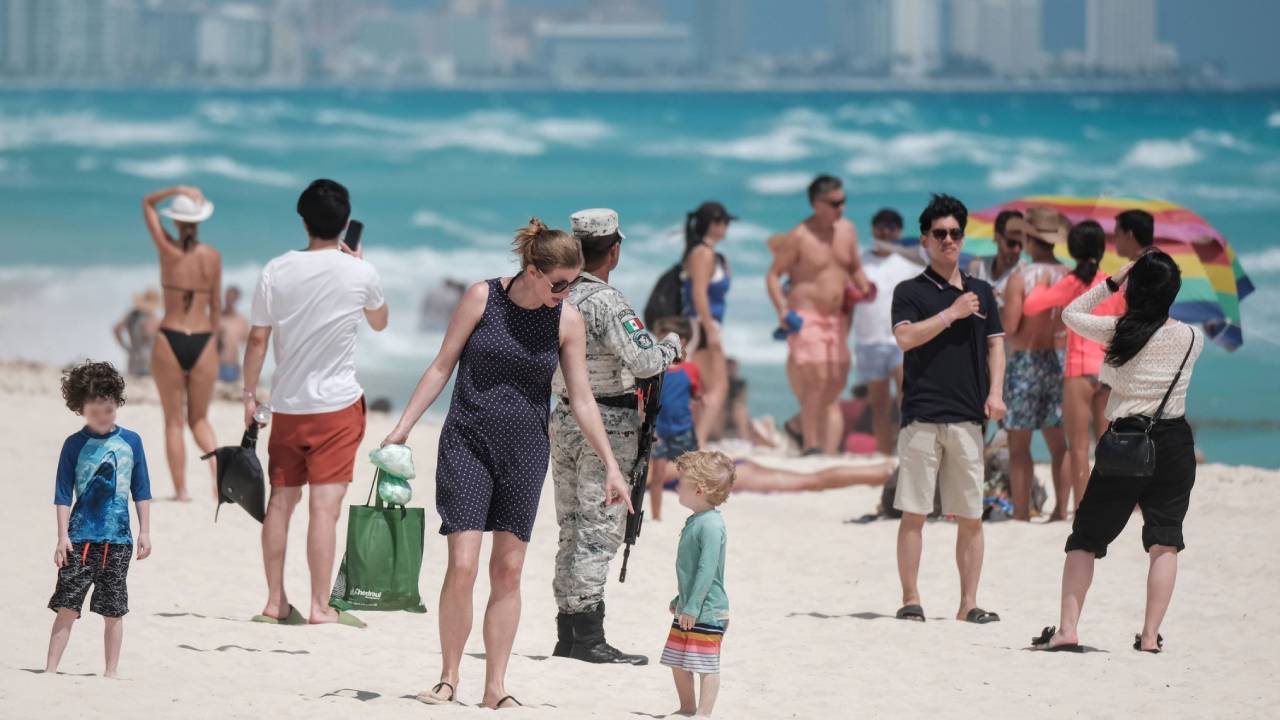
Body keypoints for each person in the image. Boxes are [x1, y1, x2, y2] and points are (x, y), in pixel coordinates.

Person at [383, 218, 634, 709]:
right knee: (462, 565)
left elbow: (582, 399)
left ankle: (494, 687)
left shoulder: (567, 321)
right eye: (558, 284)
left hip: (524, 452)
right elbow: (441, 364)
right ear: (533, 270)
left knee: (509, 571)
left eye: (572, 285)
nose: (564, 294)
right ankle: (448, 677)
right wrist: (402, 427)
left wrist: (611, 463)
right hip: (467, 441)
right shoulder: (483, 298)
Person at [1032, 251, 1204, 653]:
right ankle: (1149, 638)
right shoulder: (1193, 338)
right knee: (1165, 541)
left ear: (1135, 289)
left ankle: (1068, 630)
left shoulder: (1116, 331)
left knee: (1085, 539)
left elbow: (1070, 314)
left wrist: (1113, 281)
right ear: (1172, 292)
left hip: (1126, 441)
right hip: (1175, 443)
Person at [241, 179, 388, 628]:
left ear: (303, 221)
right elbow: (380, 323)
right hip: (338, 408)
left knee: (281, 502)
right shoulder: (360, 272)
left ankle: (274, 602)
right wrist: (358, 266)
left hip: (288, 406)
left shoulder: (276, 269)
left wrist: (250, 395)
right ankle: (322, 607)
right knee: (325, 509)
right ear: (346, 225)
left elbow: (258, 338)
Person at [549, 208, 681, 666]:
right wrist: (673, 346)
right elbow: (645, 362)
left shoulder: (557, 294)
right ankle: (586, 636)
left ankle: (568, 631)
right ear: (615, 250)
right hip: (607, 422)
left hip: (563, 417)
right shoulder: (607, 302)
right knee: (598, 531)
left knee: (571, 527)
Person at [890, 193, 1005, 625]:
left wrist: (996, 393)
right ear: (925, 240)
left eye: (956, 233)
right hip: (922, 414)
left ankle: (968, 602)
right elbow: (904, 338)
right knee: (914, 512)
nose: (948, 240)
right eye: (940, 234)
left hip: (968, 416)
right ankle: (910, 598)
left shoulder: (981, 292)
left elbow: (997, 345)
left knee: (972, 515)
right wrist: (951, 314)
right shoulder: (910, 291)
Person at [45, 361, 152, 678]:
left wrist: (145, 531)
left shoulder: (132, 442)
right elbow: (63, 493)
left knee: (113, 611)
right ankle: (50, 671)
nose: (103, 417)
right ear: (80, 409)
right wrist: (62, 536)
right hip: (78, 540)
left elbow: (141, 490)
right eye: (95, 412)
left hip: (118, 543)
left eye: (108, 410)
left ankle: (111, 673)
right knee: (66, 607)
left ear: (116, 402)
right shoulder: (74, 445)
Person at [1024, 220, 1126, 513]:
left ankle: (1082, 508)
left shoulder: (1070, 282)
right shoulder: (1112, 283)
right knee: (1108, 445)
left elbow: (1032, 306)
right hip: (1107, 371)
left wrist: (1042, 283)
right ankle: (1111, 505)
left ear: (1072, 249)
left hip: (1078, 370)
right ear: (1101, 248)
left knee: (1079, 447)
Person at [766, 175, 870, 455]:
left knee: (838, 380)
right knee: (817, 379)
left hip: (836, 319)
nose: (842, 208)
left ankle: (798, 425)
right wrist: (782, 310)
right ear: (816, 204)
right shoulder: (800, 236)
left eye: (843, 201)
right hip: (805, 315)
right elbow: (774, 275)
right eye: (835, 203)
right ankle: (811, 444)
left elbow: (855, 267)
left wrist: (865, 286)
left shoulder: (847, 231)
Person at [142, 185, 220, 501]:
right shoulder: (213, 257)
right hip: (203, 341)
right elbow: (215, 307)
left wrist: (177, 189)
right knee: (199, 419)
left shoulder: (167, 250)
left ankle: (181, 491)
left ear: (175, 221)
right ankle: (217, 474)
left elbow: (147, 203)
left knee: (173, 422)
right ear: (199, 222)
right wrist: (213, 343)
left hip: (170, 338)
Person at [1000, 209, 1070, 520]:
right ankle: (1060, 511)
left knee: (1019, 445)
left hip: (1024, 361)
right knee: (1058, 444)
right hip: (1055, 361)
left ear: (1029, 238)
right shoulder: (1069, 275)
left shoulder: (1021, 277)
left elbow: (1011, 327)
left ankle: (1020, 513)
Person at [661, 450, 734, 718]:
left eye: (681, 482)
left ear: (700, 490)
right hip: (690, 605)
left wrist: (692, 605)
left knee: (705, 664)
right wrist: (680, 600)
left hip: (708, 609)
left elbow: (707, 570)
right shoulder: (696, 520)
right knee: (678, 661)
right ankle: (687, 708)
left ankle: (703, 713)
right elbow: (690, 571)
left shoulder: (712, 525)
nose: (676, 486)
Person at [854, 208, 923, 456]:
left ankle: (908, 453)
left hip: (900, 339)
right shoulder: (860, 261)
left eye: (892, 227)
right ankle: (884, 454)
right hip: (868, 340)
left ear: (899, 231)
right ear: (873, 229)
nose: (886, 231)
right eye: (881, 226)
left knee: (907, 399)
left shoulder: (908, 262)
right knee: (879, 404)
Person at [682, 201, 735, 445]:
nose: (726, 227)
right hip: (702, 325)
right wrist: (710, 329)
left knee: (702, 388)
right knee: (718, 387)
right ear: (714, 224)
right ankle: (698, 441)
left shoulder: (711, 254)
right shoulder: (703, 253)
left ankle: (694, 439)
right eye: (724, 222)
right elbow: (699, 294)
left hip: (704, 324)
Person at [649, 317, 700, 522]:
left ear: (683, 342)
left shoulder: (690, 370)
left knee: (692, 474)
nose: (662, 344)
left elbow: (695, 399)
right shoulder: (655, 370)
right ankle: (656, 516)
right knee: (657, 475)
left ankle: (696, 513)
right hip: (659, 430)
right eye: (660, 339)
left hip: (684, 429)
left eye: (667, 339)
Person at [966, 209, 1026, 307]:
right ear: (997, 237)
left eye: (1021, 244)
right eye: (1011, 243)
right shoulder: (976, 267)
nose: (1017, 250)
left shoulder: (1024, 275)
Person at [112, 289, 161, 379]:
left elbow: (116, 329)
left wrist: (125, 346)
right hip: (148, 362)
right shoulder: (153, 319)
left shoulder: (132, 315)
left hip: (133, 359)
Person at [217, 285, 250, 384]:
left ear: (236, 299)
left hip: (233, 367)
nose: (229, 300)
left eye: (232, 298)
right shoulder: (217, 318)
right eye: (228, 297)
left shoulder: (241, 321)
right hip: (216, 365)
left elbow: (249, 347)